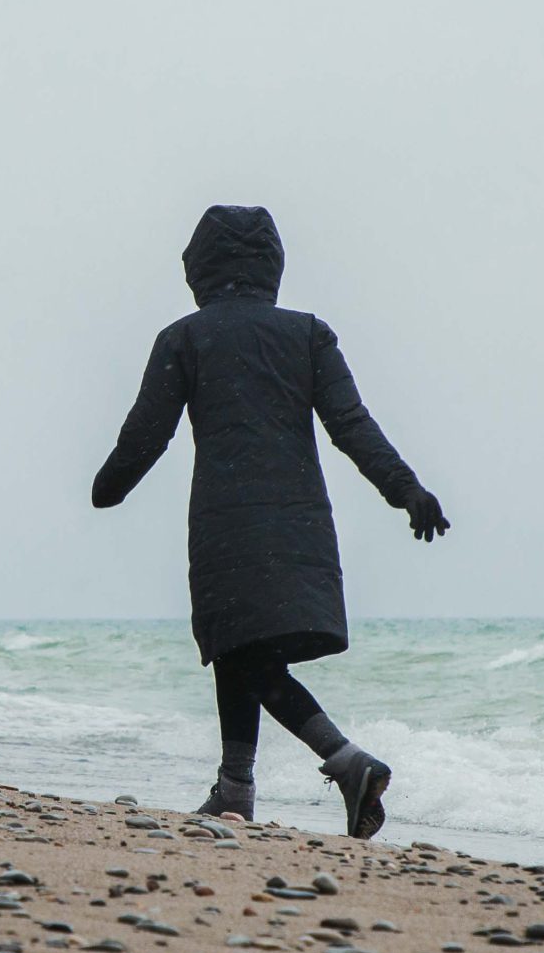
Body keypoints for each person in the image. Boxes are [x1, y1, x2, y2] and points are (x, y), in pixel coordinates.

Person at [92, 204, 447, 839]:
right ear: (270, 266)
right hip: (301, 525)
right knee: (246, 654)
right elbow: (352, 427)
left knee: (240, 650)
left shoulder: (186, 338)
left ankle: (343, 762)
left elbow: (146, 435)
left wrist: (109, 486)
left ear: (200, 267)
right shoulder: (307, 335)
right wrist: (406, 490)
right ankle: (237, 791)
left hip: (227, 525)